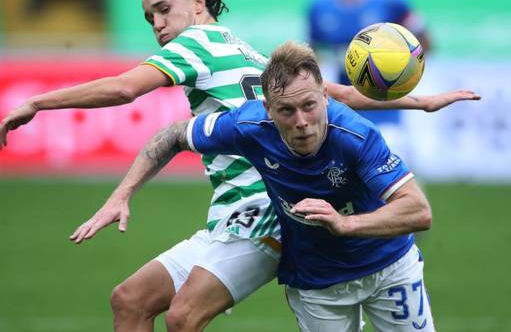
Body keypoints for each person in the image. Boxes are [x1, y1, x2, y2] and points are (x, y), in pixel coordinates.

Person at [0, 0, 468, 332]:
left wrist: (38, 102)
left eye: (163, 9)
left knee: (182, 317)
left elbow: (124, 88)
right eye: (149, 17)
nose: (157, 24)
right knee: (130, 301)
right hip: (234, 213)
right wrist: (416, 101)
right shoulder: (243, 49)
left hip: (263, 208)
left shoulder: (195, 43)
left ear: (198, 4)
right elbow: (332, 92)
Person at [90, 40, 436, 331]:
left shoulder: (356, 136)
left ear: (325, 97)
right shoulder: (249, 126)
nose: (301, 121)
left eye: (309, 106)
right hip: (318, 283)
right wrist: (122, 194)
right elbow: (174, 135)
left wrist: (345, 224)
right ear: (267, 109)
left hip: (389, 268)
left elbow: (418, 211)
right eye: (287, 111)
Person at [308, 0, 431, 143]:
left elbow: (425, 42)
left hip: (387, 112)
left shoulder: (392, 0)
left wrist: (400, 67)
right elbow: (313, 54)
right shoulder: (318, 6)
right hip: (345, 112)